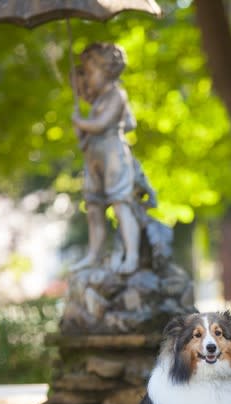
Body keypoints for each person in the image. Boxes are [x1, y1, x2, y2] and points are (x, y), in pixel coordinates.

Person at [71, 43, 143, 274]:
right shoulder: (97, 102)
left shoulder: (116, 95)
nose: (88, 78)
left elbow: (101, 125)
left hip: (113, 152)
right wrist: (80, 129)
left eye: (91, 72)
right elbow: (87, 133)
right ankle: (94, 254)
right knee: (93, 205)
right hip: (94, 155)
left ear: (107, 71)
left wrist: (80, 122)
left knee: (120, 204)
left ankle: (131, 255)